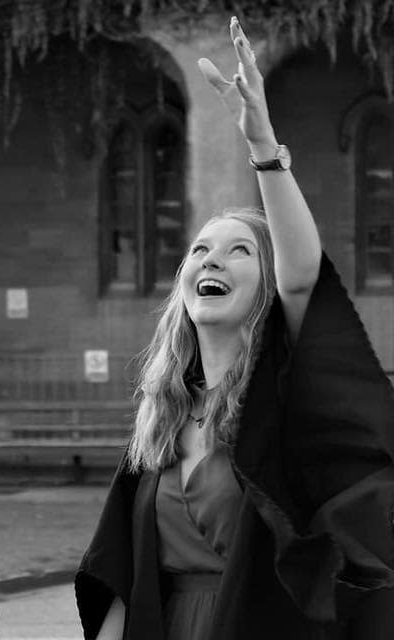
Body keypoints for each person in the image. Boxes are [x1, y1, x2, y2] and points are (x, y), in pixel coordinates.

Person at [75, 16, 394, 640]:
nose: (211, 259)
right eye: (198, 250)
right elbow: (119, 568)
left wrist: (263, 148)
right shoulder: (163, 418)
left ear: (267, 287)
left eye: (239, 251)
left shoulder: (286, 401)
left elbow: (304, 277)